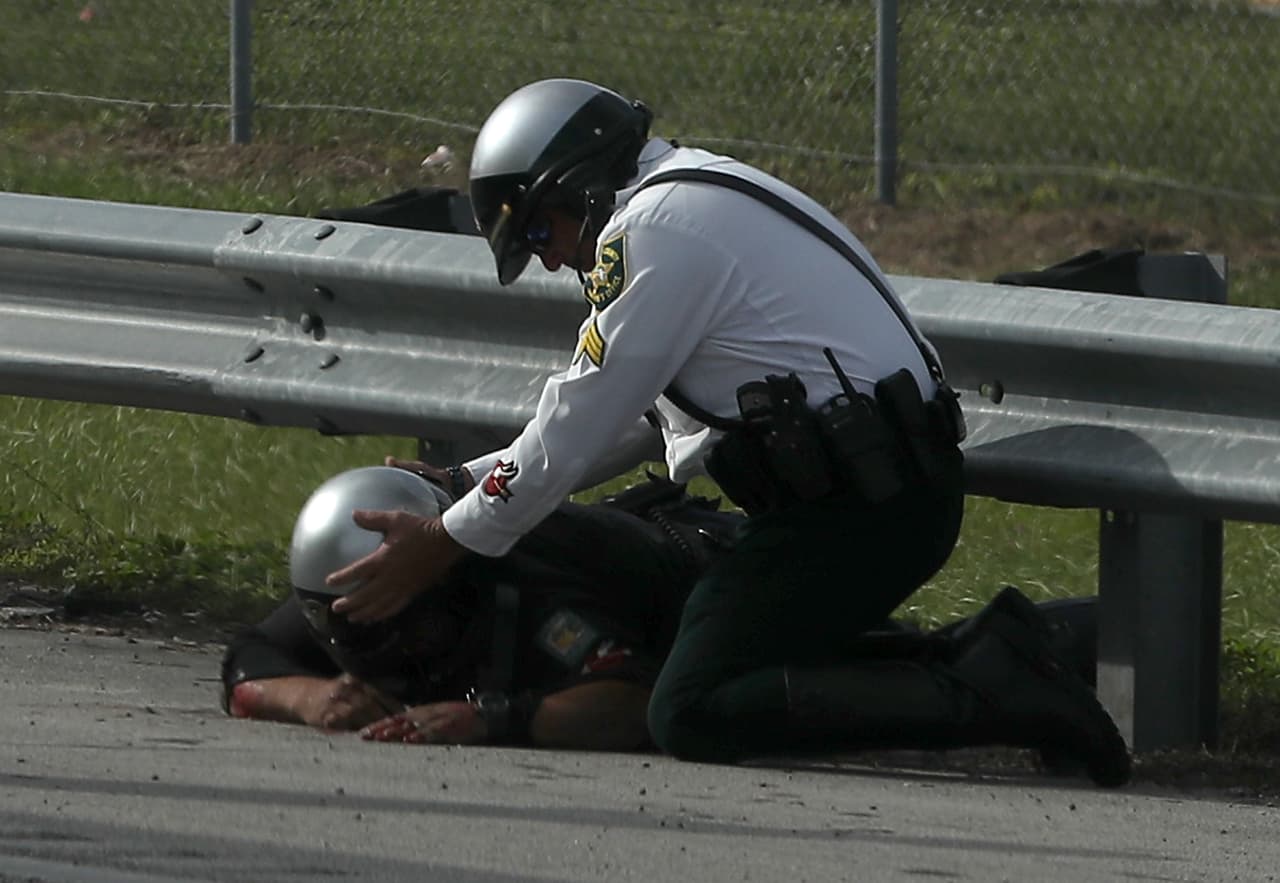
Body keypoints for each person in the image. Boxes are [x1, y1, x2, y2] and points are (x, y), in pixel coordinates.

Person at [321, 78, 1130, 786]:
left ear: (579, 183)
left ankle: (999, 686)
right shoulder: (683, 197)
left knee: (690, 710)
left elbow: (577, 415)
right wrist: (465, 483)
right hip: (856, 496)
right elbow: (636, 424)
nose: (548, 259)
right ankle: (1004, 659)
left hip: (863, 508)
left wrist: (451, 532)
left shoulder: (652, 232)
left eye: (539, 232)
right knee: (717, 663)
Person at [221, 469, 731, 749]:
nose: (364, 639)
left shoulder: (526, 588)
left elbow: (630, 699)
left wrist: (492, 719)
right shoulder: (345, 590)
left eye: (386, 616)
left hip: (717, 581)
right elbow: (251, 657)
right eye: (347, 621)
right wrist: (310, 698)